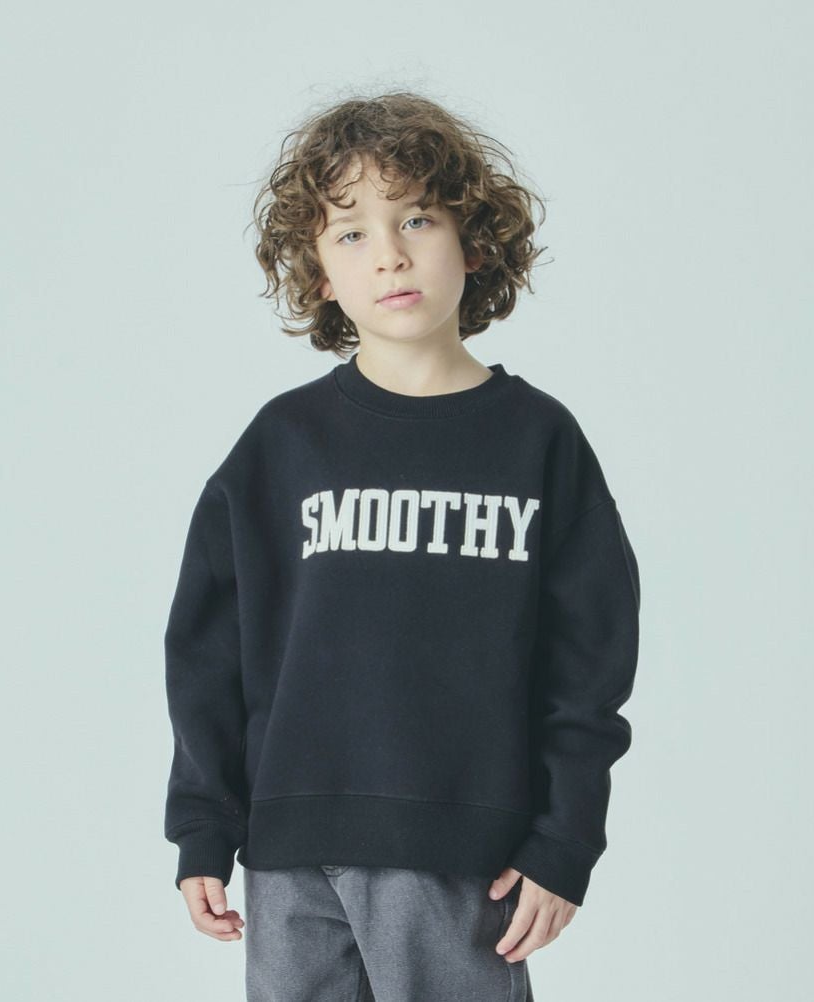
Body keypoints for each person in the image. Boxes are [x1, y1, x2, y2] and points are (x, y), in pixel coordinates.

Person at [162, 90, 642, 1002]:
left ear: (474, 241)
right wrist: (203, 824)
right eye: (350, 233)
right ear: (318, 273)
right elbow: (208, 649)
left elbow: (591, 663)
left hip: (460, 852)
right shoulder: (282, 446)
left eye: (417, 218)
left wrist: (565, 838)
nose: (388, 253)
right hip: (290, 853)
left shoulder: (538, 442)